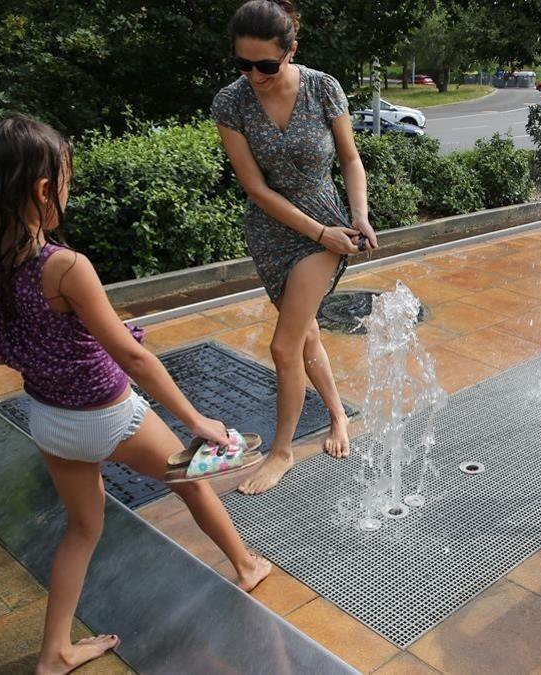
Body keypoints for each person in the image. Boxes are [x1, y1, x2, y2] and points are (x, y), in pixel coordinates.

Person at [0, 117, 273, 675]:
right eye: (65, 180)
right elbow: (133, 358)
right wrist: (196, 419)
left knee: (83, 528)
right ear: (41, 189)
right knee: (188, 478)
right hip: (107, 415)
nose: (67, 190)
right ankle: (247, 566)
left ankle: (55, 653)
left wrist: (62, 349)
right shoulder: (64, 267)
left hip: (48, 420)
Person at [213, 0, 377, 494]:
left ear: (291, 53)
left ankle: (282, 452)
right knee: (304, 336)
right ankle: (336, 416)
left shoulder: (323, 88)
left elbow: (350, 159)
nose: (255, 75)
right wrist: (316, 232)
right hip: (270, 230)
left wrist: (357, 216)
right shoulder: (230, 103)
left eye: (266, 65)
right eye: (244, 64)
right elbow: (257, 190)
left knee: (283, 346)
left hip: (326, 228)